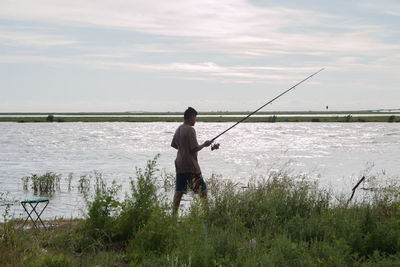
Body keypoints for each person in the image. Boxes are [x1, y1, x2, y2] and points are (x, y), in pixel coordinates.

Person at [171, 107, 212, 214]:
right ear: (191, 117)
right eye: (195, 118)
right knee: (202, 190)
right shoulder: (190, 129)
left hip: (179, 164)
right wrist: (204, 144)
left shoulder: (178, 128)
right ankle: (207, 213)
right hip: (190, 166)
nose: (195, 120)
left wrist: (183, 149)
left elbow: (174, 145)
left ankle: (173, 215)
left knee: (179, 192)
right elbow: (194, 148)